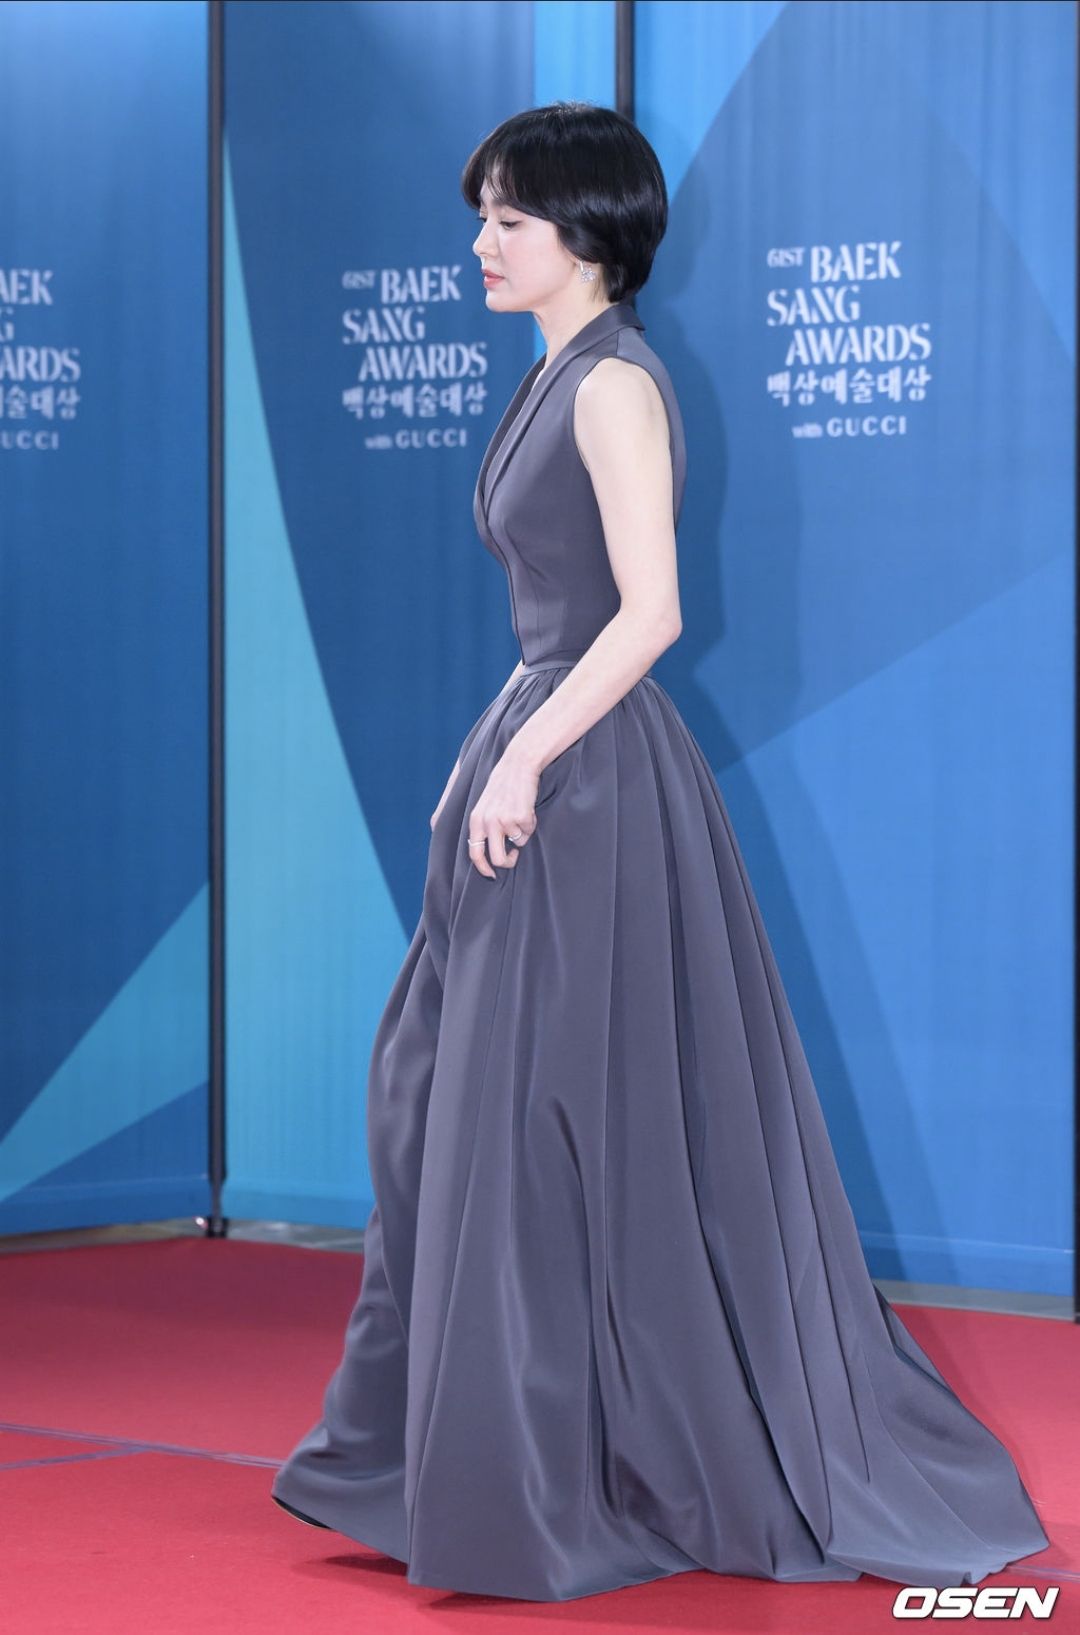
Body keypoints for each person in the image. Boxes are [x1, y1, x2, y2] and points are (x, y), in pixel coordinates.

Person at [270, 101, 1050, 1603]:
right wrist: (491, 753)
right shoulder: (555, 370)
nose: (481, 242)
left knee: (535, 1126)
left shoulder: (615, 385)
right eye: (483, 214)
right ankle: (490, 1464)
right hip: (536, 762)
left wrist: (526, 758)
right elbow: (557, 626)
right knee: (445, 1112)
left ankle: (557, 1480)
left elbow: (650, 614)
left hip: (588, 792)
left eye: (507, 218)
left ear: (585, 236)